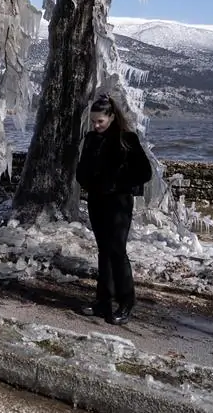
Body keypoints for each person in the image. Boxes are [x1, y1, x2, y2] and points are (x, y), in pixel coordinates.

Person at [76, 94, 152, 326]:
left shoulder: (126, 139)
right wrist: (87, 182)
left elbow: (144, 173)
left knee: (117, 251)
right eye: (93, 121)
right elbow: (82, 169)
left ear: (111, 117)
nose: (96, 125)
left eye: (100, 121)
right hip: (97, 200)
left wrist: (116, 183)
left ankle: (126, 301)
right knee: (103, 251)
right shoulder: (90, 139)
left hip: (119, 203)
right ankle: (103, 300)